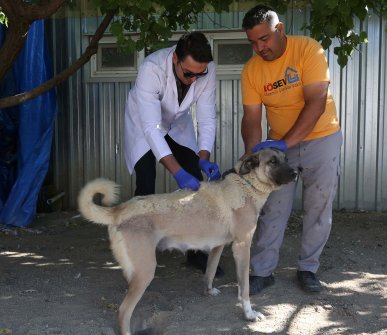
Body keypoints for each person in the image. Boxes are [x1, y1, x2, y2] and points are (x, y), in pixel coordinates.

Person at [239, 5, 343, 294]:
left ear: (280, 29)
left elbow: (316, 102)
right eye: (253, 43)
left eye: (265, 39)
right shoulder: (252, 70)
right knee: (273, 207)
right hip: (278, 145)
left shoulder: (308, 50)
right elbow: (250, 119)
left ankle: (308, 268)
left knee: (318, 206)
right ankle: (262, 271)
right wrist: (252, 157)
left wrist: (286, 143)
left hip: (322, 138)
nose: (260, 48)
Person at [123, 31, 224, 275]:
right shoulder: (151, 68)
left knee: (195, 176)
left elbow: (207, 119)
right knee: (146, 179)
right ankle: (139, 251)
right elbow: (151, 128)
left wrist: (202, 158)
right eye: (188, 73)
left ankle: (195, 252)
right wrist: (176, 173)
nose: (194, 79)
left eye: (199, 74)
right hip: (143, 125)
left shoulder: (205, 71)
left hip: (177, 124)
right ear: (176, 59)